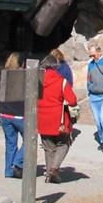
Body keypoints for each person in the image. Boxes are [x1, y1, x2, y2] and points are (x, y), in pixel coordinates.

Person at [37, 53, 78, 184]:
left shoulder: (37, 81)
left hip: (42, 118)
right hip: (58, 120)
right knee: (64, 144)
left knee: (48, 147)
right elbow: (72, 100)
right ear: (55, 66)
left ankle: (49, 174)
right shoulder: (61, 81)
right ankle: (54, 169)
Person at [0, 52, 27, 178]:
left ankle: (9, 170)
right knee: (30, 141)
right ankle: (17, 162)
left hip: (4, 113)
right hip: (19, 114)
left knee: (10, 143)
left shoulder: (4, 74)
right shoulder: (23, 76)